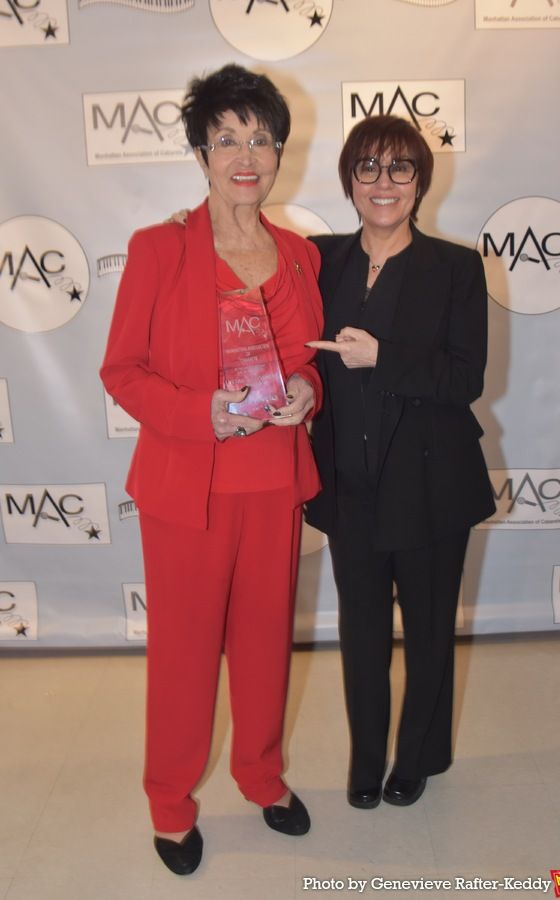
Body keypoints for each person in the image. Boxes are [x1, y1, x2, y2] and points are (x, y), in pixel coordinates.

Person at [100, 64, 323, 875]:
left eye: (260, 139)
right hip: (186, 488)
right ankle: (170, 803)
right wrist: (202, 412)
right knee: (185, 656)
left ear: (280, 154)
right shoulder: (159, 249)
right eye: (226, 138)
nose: (245, 156)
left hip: (273, 481)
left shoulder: (300, 255)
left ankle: (261, 776)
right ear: (201, 153)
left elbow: (306, 360)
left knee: (265, 645)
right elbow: (122, 371)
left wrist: (308, 388)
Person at [305, 115, 496, 811]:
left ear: (420, 182)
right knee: (360, 636)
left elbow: (465, 379)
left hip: (432, 486)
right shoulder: (318, 259)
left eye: (400, 168)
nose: (383, 183)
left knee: (429, 631)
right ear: (349, 181)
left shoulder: (456, 268)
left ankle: (417, 757)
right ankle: (365, 761)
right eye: (368, 168)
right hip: (348, 487)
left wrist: (383, 358)